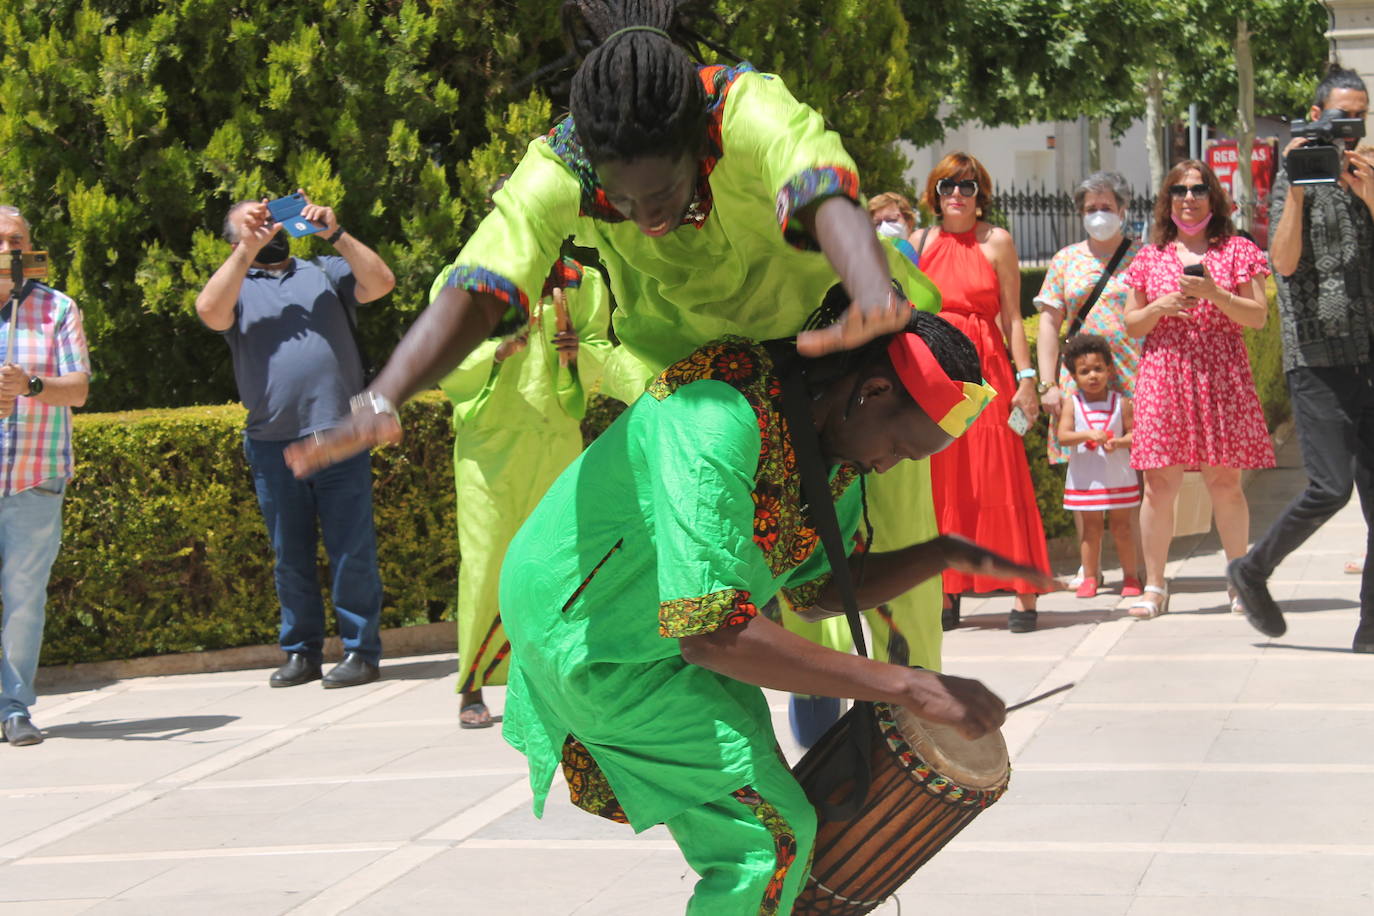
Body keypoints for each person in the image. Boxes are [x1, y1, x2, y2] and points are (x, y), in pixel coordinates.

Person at [287, 1, 954, 679]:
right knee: (726, 583)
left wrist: (869, 288)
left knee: (884, 563)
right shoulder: (561, 165)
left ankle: (914, 710)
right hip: (722, 390)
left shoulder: (742, 108)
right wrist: (384, 395)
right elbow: (483, 283)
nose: (648, 218)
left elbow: (814, 182)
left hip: (845, 357)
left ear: (697, 142)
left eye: (662, 192)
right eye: (623, 203)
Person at [500, 304, 1049, 914]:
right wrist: (906, 684)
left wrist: (941, 553)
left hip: (661, 641)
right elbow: (711, 634)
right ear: (872, 390)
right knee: (769, 839)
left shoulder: (828, 450)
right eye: (897, 446)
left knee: (773, 818)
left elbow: (815, 594)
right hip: (589, 634)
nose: (887, 465)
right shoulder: (713, 415)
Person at [195, 193, 395, 688]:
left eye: (270, 218)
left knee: (352, 549)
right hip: (272, 442)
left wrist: (336, 232)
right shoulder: (236, 285)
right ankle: (302, 652)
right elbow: (209, 312)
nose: (266, 228)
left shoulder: (323, 271)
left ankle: (361, 652)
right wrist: (244, 250)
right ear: (233, 237)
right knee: (291, 554)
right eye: (251, 223)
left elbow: (381, 283)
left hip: (340, 435)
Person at [1228, 65, 1374, 652]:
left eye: (1358, 116)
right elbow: (1282, 264)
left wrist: (1366, 191)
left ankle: (1370, 627)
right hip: (1316, 355)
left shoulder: (1367, 172)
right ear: (1315, 117)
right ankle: (1254, 568)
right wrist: (1297, 188)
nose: (1350, 126)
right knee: (1331, 488)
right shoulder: (1294, 175)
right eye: (1341, 115)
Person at [435, 254, 615, 727]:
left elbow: (601, 349)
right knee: (485, 561)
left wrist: (578, 353)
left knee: (556, 560)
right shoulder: (469, 279)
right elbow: (441, 351)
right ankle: (473, 684)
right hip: (488, 446)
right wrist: (492, 352)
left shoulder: (581, 281)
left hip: (555, 438)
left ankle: (554, 680)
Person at [1123, 160, 1273, 619]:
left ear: (1214, 198)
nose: (1189, 197)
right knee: (1159, 484)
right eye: (1179, 190)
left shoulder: (1237, 251)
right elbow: (1131, 324)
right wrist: (1162, 306)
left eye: (1199, 189)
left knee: (1225, 482)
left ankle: (1238, 582)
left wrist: (1214, 294)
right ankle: (1154, 586)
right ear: (1168, 200)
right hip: (1164, 373)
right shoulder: (1150, 256)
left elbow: (1258, 316)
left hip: (1220, 374)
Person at [913, 152, 1051, 633]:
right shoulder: (918, 242)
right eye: (948, 184)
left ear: (980, 194)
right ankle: (948, 591)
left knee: (1000, 475)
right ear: (934, 191)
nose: (957, 193)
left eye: (967, 186)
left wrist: (1029, 379)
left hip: (988, 369)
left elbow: (1013, 317)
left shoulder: (998, 242)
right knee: (944, 478)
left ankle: (1023, 590)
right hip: (936, 373)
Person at [0, 207, 91, 747]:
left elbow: (77, 389)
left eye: (18, 239)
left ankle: (14, 707)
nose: (9, 247)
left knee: (24, 597)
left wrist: (31, 384)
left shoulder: (57, 308)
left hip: (35, 475)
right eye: (0, 240)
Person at [1034, 171, 1144, 594]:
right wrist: (1048, 384)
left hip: (1134, 383)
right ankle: (1090, 569)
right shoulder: (1066, 260)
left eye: (1106, 207)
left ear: (1123, 209)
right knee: (1085, 477)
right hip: (1077, 388)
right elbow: (1049, 323)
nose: (1099, 215)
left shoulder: (1143, 257)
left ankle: (1138, 567)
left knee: (1136, 477)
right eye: (1090, 209)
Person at [1057, 334, 1140, 597]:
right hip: (1086, 477)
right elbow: (1063, 436)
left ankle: (1131, 576)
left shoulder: (1121, 402)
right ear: (1074, 376)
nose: (1092, 376)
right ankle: (1090, 577)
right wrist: (1087, 435)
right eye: (1084, 371)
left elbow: (1134, 434)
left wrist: (1119, 443)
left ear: (1109, 369)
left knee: (1122, 528)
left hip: (1117, 476)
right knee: (1090, 529)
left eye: (1098, 369)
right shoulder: (1073, 404)